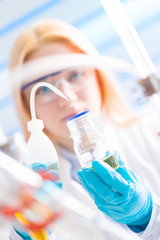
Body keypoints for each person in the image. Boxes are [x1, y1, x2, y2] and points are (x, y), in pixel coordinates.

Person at [9, 19, 160, 240]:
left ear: (98, 78)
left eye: (75, 75)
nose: (67, 98)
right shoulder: (23, 186)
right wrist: (23, 235)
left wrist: (148, 217)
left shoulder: (153, 133)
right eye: (44, 90)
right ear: (26, 106)